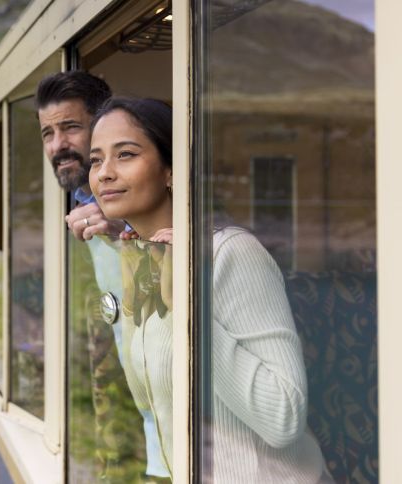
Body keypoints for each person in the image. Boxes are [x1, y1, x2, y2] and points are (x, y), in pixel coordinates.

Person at [88, 96, 329, 482]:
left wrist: (187, 305)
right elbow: (153, 404)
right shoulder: (144, 259)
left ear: (171, 170)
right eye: (96, 160)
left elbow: (283, 417)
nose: (104, 173)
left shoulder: (231, 253)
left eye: (126, 155)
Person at [35, 72, 167, 480]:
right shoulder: (75, 203)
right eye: (47, 133)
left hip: (177, 434)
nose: (58, 145)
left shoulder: (159, 210)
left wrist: (127, 228)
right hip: (116, 424)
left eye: (71, 127)